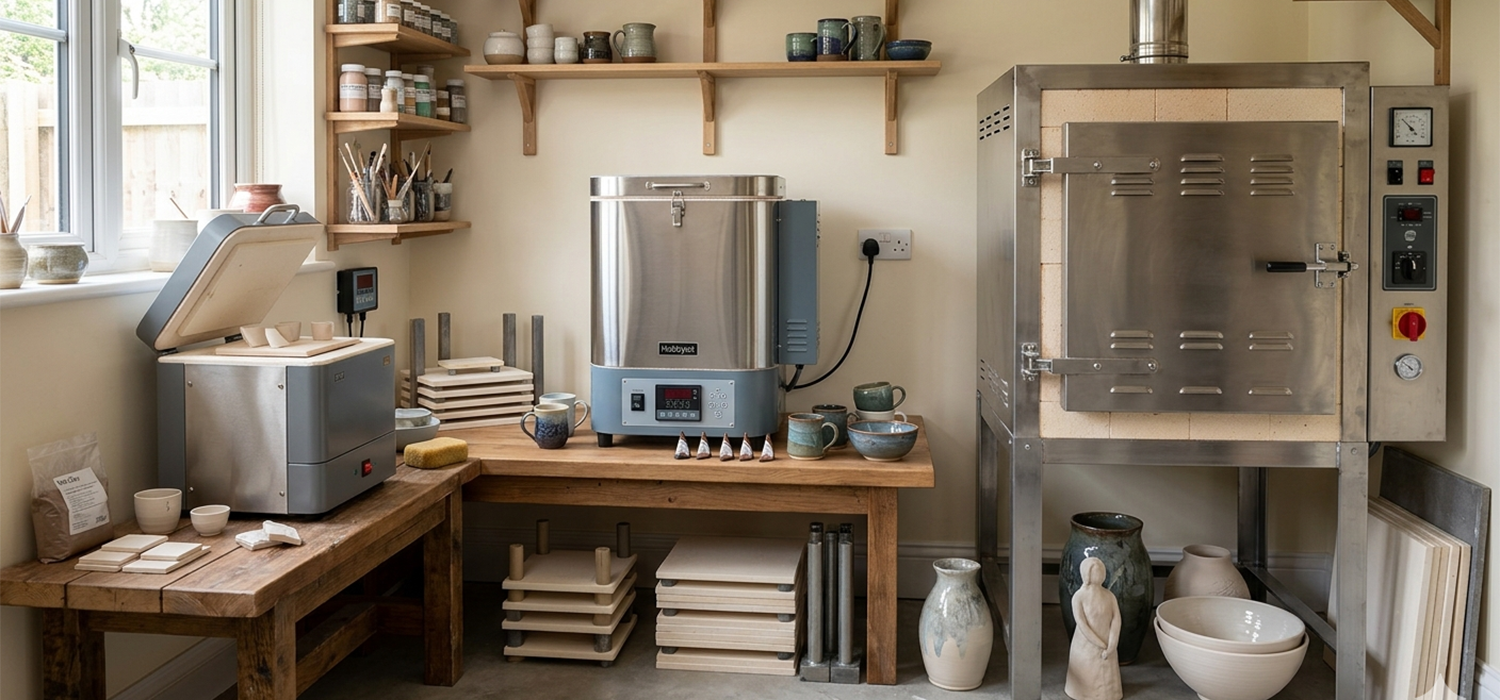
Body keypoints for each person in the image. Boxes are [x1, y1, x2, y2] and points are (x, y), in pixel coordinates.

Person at [1066, 557, 1122, 700]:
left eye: (1100, 571)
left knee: (1106, 674)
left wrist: (1112, 644)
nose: (1097, 574)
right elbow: (1082, 624)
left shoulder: (1109, 596)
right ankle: (1081, 692)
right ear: (1086, 573)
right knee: (1088, 670)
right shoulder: (1079, 597)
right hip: (1086, 645)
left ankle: (1109, 694)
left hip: (1107, 642)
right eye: (1093, 571)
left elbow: (1116, 619)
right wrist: (1100, 644)